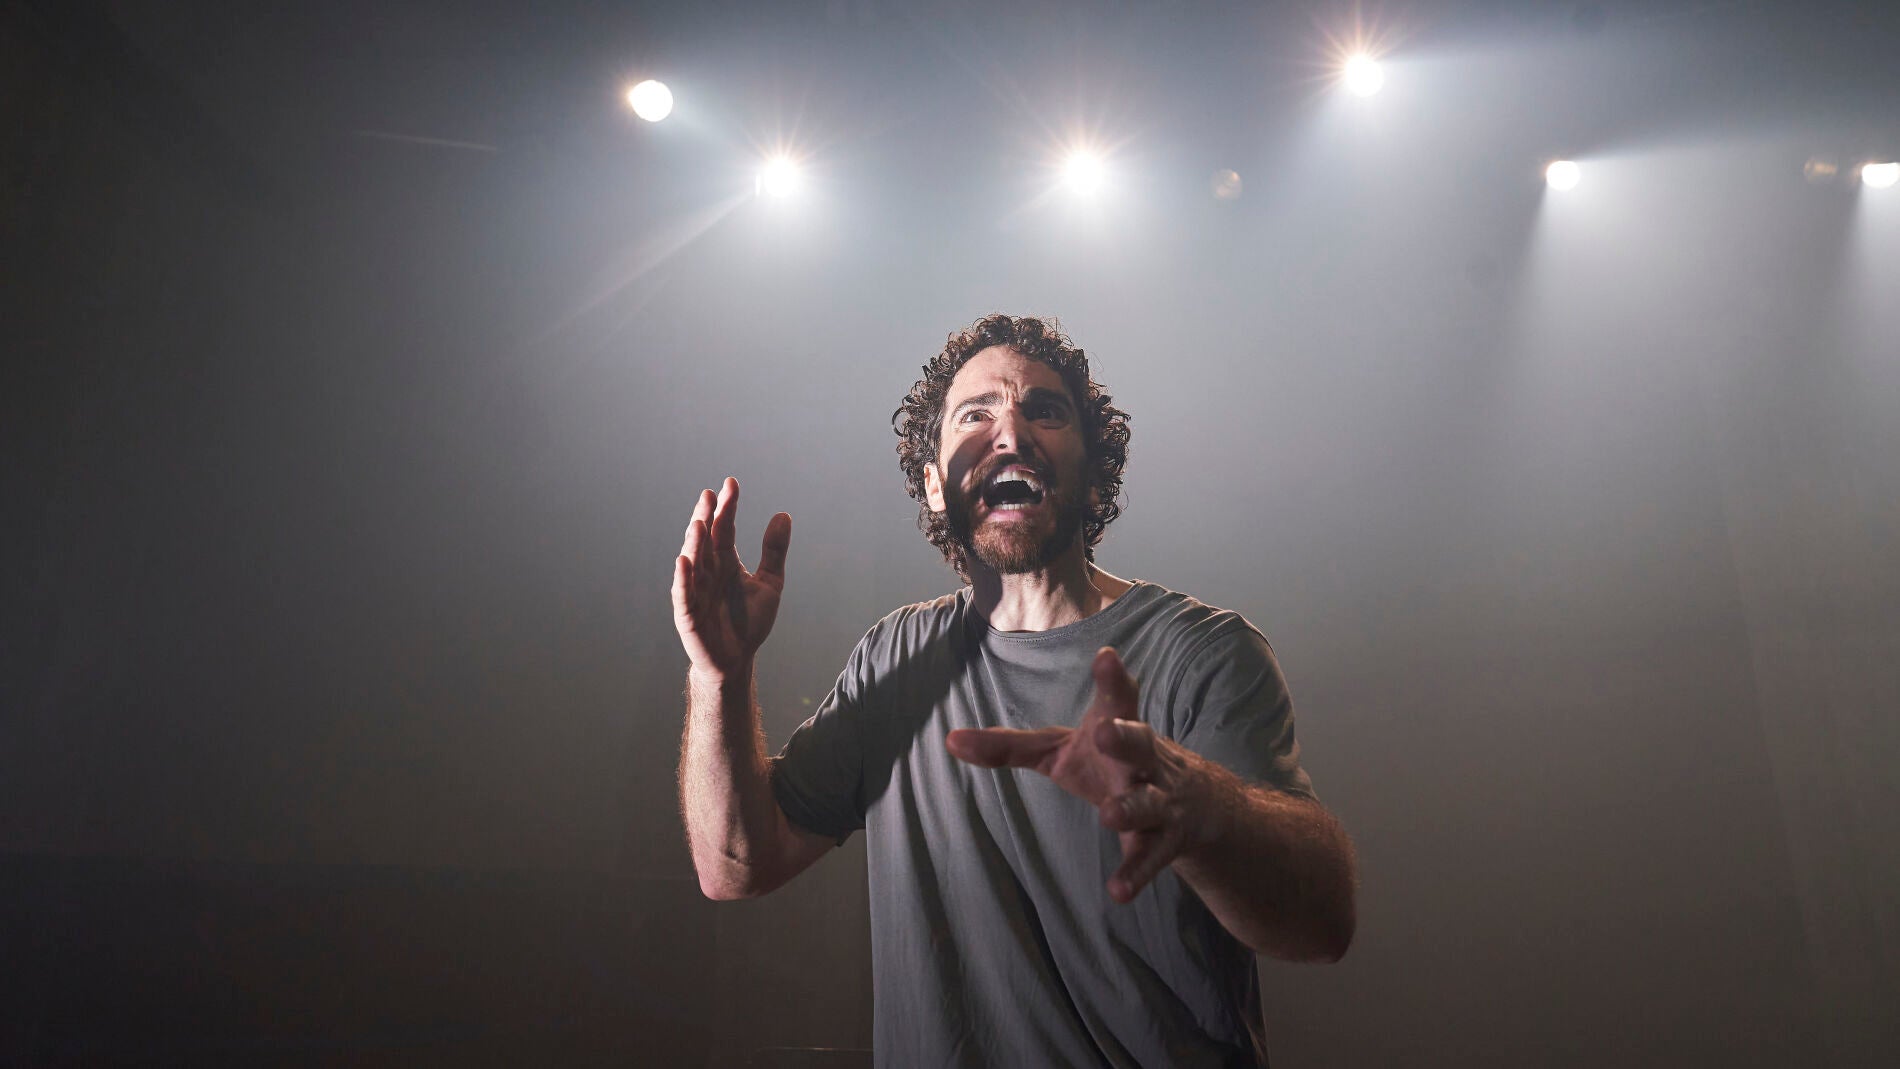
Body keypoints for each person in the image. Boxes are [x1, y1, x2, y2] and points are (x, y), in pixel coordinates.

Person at [673, 314, 1357, 1067]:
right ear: (935, 485)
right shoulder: (895, 659)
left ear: (1091, 473)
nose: (1010, 434)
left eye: (1044, 410)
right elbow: (735, 864)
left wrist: (1196, 803)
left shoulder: (1201, 653)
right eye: (976, 415)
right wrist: (719, 677)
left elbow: (1324, 922)